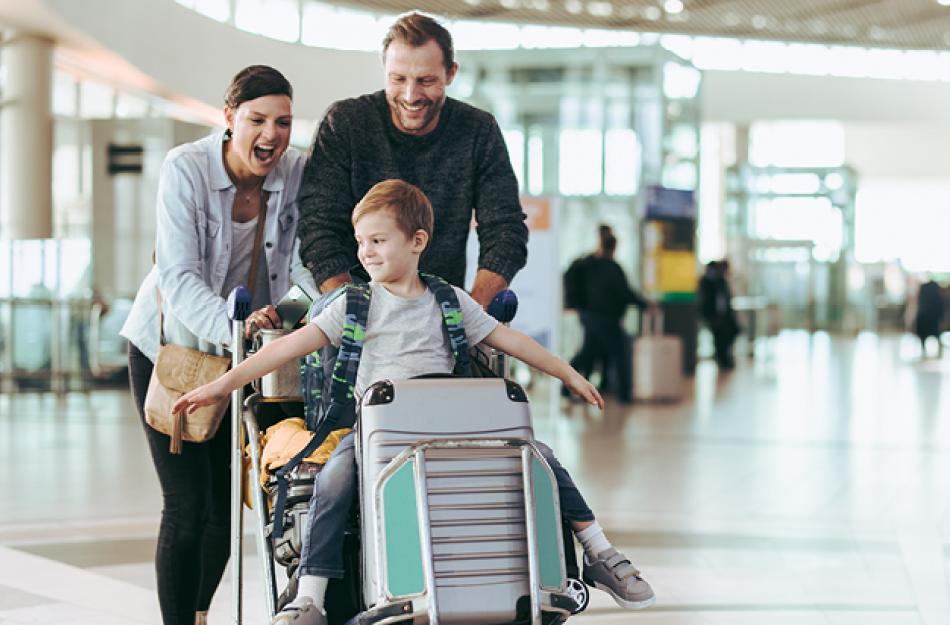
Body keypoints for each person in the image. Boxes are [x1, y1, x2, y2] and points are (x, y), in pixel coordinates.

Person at [173, 180, 656, 625]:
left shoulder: (449, 301)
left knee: (542, 459)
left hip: (448, 429)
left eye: (379, 240)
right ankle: (311, 596)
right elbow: (286, 348)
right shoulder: (353, 305)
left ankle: (598, 551)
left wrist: (567, 371)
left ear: (417, 242)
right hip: (377, 430)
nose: (366, 251)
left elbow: (510, 341)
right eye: (362, 241)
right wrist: (222, 384)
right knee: (335, 477)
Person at [120, 65, 315, 625]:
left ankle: (201, 615)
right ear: (228, 118)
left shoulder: (297, 171)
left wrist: (289, 313)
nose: (272, 135)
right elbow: (178, 277)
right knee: (186, 507)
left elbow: (303, 266)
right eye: (257, 120)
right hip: (170, 352)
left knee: (223, 517)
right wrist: (240, 330)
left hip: (245, 356)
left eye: (283, 122)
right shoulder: (185, 169)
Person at [296, 11, 528, 308]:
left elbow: (505, 230)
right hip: (352, 317)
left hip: (442, 317)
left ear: (451, 73)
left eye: (426, 81)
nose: (410, 95)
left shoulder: (478, 131)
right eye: (398, 79)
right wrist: (354, 311)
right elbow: (318, 228)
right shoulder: (345, 123)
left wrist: (471, 316)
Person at [564, 225, 649, 403]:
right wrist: (645, 304)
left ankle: (566, 387)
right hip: (605, 318)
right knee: (619, 352)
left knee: (588, 352)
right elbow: (625, 293)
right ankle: (624, 395)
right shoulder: (610, 268)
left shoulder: (587, 264)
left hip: (589, 316)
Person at [698, 259, 740, 369]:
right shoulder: (707, 281)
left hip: (724, 315)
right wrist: (710, 316)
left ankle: (724, 359)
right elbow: (705, 301)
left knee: (730, 334)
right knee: (719, 339)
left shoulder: (721, 280)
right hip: (714, 316)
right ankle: (722, 360)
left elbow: (726, 298)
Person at [915, 277, 945, 358]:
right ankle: (936, 352)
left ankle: (924, 351)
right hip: (932, 317)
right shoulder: (936, 292)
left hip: (925, 316)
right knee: (935, 335)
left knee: (925, 336)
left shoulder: (924, 290)